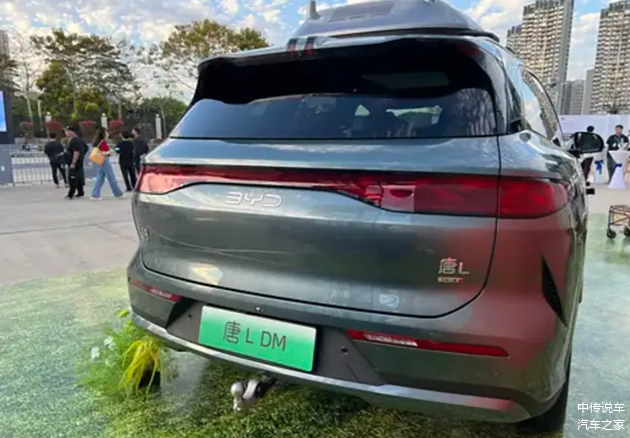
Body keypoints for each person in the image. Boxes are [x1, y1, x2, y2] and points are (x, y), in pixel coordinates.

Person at [90, 127, 124, 200]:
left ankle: (95, 194)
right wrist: (111, 152)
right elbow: (104, 152)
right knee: (111, 177)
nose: (108, 133)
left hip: (99, 161)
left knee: (100, 178)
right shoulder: (103, 142)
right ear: (103, 133)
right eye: (106, 132)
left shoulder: (97, 142)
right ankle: (118, 193)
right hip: (104, 161)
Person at [64, 125, 87, 200]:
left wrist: (73, 162)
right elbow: (86, 148)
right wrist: (82, 156)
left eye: (67, 131)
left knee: (72, 178)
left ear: (71, 132)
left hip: (74, 162)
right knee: (79, 177)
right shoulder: (79, 140)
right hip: (78, 162)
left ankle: (71, 193)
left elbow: (76, 152)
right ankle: (80, 192)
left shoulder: (75, 141)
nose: (66, 133)